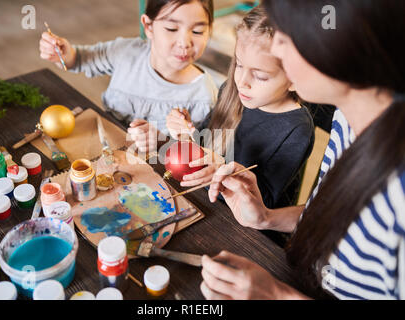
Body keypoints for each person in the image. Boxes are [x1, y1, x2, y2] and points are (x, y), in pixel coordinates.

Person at [201, 0, 405, 300]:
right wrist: (266, 218)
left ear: (340, 45)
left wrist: (277, 295)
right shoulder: (347, 120)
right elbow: (339, 220)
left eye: (286, 38)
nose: (278, 52)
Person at [165, 6, 314, 209]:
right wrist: (185, 133)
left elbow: (266, 201)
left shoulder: (297, 129)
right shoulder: (233, 90)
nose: (241, 81)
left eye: (260, 75)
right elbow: (203, 144)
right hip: (206, 199)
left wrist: (224, 171)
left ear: (297, 79)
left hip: (246, 224)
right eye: (239, 65)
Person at [39, 0, 218, 138]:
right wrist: (63, 53)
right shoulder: (126, 52)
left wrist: (166, 141)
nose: (184, 43)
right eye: (171, 28)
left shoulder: (203, 97)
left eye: (197, 32)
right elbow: (79, 59)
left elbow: (200, 155)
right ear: (148, 26)